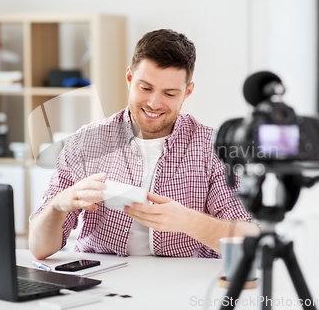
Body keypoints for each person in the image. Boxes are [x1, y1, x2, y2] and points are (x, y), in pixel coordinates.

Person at [29, 29, 259, 260]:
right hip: (103, 281)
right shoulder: (86, 141)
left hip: (184, 282)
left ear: (187, 92)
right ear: (130, 78)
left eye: (169, 93)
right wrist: (58, 206)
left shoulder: (213, 147)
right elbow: (39, 248)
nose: (154, 103)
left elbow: (249, 238)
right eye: (145, 88)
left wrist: (187, 221)